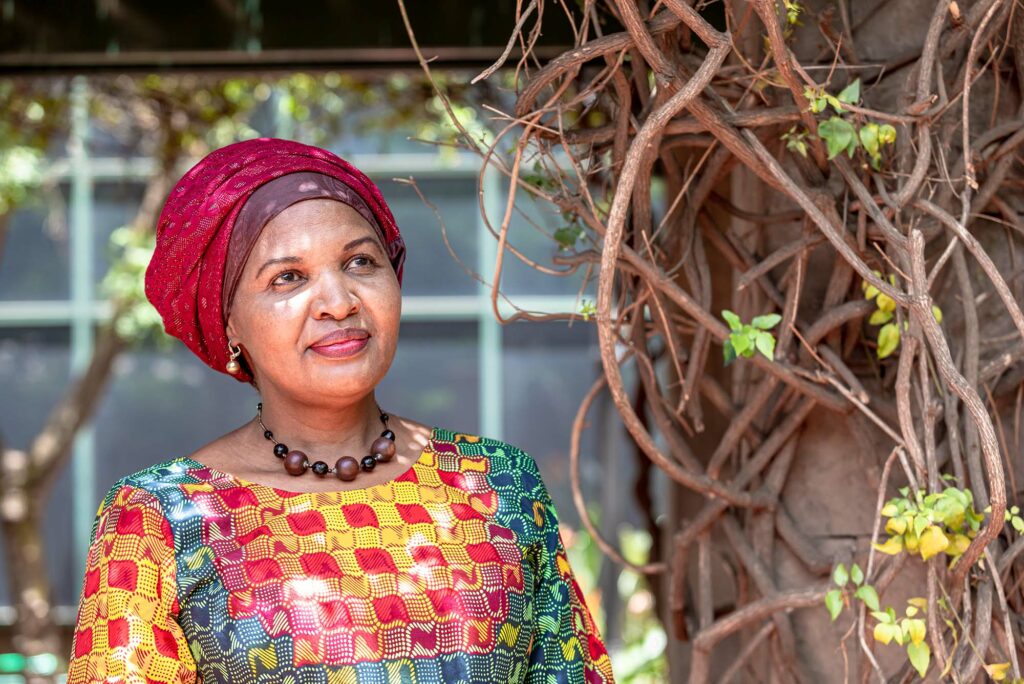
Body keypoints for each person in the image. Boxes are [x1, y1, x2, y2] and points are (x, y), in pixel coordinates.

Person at [66, 138, 616, 684]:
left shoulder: (500, 485)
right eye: (288, 277)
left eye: (359, 261)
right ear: (228, 320)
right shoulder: (163, 520)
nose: (339, 301)